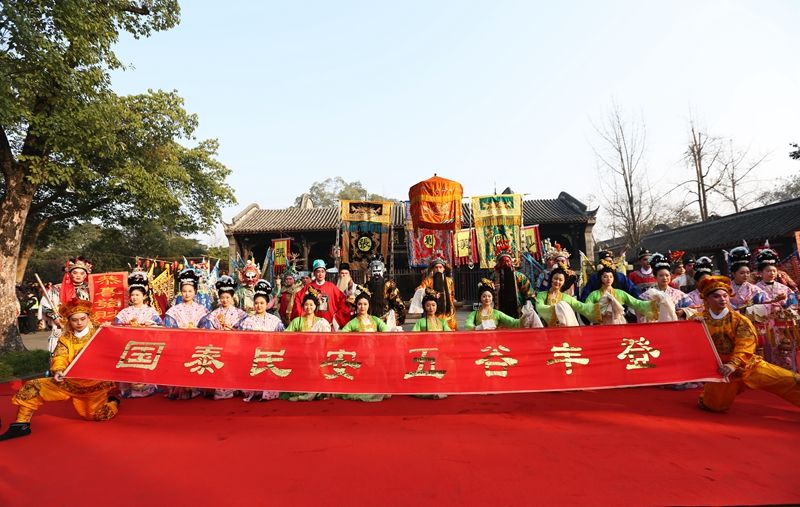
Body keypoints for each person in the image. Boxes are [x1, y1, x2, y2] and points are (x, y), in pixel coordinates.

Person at [0, 298, 119, 441]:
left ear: (89, 318)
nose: (79, 323)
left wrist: (109, 330)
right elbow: (60, 356)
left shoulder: (99, 334)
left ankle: (113, 402)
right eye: (75, 320)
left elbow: (116, 347)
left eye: (83, 319)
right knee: (33, 386)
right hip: (68, 381)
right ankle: (21, 424)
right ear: (69, 321)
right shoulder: (65, 338)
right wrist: (58, 370)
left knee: (98, 416)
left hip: (93, 385)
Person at [693, 275, 800, 413]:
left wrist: (733, 363)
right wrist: (691, 326)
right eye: (716, 296)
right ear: (707, 299)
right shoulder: (699, 321)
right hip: (723, 371)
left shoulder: (739, 320)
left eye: (725, 296)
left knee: (791, 380)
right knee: (714, 406)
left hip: (748, 365)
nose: (722, 299)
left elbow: (746, 343)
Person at [113, 271, 164, 398]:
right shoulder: (124, 312)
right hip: (129, 345)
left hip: (146, 344)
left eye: (137, 295)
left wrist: (151, 325)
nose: (134, 297)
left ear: (144, 296)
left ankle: (148, 388)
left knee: (144, 366)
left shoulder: (151, 311)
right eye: (132, 295)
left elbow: (161, 327)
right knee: (130, 367)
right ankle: (128, 390)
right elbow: (116, 327)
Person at [237, 279, 286, 402]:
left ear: (267, 304)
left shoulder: (275, 320)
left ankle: (269, 393)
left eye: (262, 303)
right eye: (257, 303)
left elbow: (281, 338)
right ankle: (254, 392)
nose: (259, 306)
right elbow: (242, 340)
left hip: (270, 353)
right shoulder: (247, 320)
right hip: (253, 353)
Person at [752, 247, 799, 372]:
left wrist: (788, 307)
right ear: (760, 273)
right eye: (768, 271)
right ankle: (773, 371)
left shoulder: (783, 287)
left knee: (787, 347)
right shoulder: (756, 288)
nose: (771, 273)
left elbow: (792, 301)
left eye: (774, 270)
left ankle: (790, 370)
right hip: (767, 324)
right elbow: (754, 306)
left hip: (784, 323)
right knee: (770, 347)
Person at [164, 269, 208, 400]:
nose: (187, 294)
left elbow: (207, 329)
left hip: (196, 344)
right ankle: (179, 390)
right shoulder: (174, 310)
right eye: (184, 291)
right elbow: (168, 329)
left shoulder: (202, 309)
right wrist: (181, 330)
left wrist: (196, 330)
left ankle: (195, 389)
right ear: (180, 292)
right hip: (179, 344)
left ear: (195, 292)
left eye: (190, 291)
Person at [338, 286, 388, 402]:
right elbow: (342, 336)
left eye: (365, 304)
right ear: (356, 305)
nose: (362, 307)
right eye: (360, 304)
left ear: (369, 305)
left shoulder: (375, 320)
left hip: (375, 353)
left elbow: (387, 332)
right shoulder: (353, 322)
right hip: (360, 354)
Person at [283, 287, 330, 402]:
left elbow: (327, 339)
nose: (308, 307)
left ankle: (317, 392)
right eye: (306, 305)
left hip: (316, 355)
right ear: (303, 306)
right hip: (301, 355)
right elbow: (286, 335)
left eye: (311, 305)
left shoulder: (321, 322)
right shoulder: (297, 321)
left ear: (315, 306)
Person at [40, 256, 93, 353]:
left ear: (86, 275)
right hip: (63, 325)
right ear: (69, 273)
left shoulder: (91, 288)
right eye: (75, 273)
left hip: (86, 325)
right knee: (61, 353)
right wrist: (55, 318)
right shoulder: (57, 289)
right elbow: (45, 305)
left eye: (82, 273)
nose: (78, 275)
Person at [584, 266, 657, 325]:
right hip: (600, 324)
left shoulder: (620, 293)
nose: (608, 279)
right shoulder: (594, 294)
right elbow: (587, 307)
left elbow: (635, 303)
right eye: (605, 276)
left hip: (619, 323)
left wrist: (651, 305)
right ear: (600, 278)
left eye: (611, 276)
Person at [291, 259, 350, 328]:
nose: (320, 274)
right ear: (314, 273)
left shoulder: (332, 287)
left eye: (322, 271)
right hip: (311, 325)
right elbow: (298, 299)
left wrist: (336, 317)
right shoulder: (308, 287)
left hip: (329, 324)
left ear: (325, 273)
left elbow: (342, 300)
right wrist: (303, 315)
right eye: (318, 271)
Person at [639, 253, 692, 322]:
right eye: (661, 275)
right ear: (655, 277)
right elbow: (640, 312)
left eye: (667, 275)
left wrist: (683, 311)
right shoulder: (648, 295)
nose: (665, 278)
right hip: (655, 327)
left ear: (670, 276)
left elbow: (692, 308)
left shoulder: (679, 294)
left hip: (675, 326)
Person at [492, 240, 535, 319]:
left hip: (517, 310)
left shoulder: (520, 277)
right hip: (500, 309)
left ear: (512, 262)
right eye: (503, 261)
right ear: (498, 264)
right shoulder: (494, 278)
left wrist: (528, 305)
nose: (506, 264)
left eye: (507, 261)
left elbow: (529, 294)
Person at [415, 257, 458, 330]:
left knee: (451, 332)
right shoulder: (428, 280)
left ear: (443, 269)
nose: (438, 269)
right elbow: (418, 290)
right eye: (436, 267)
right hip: (434, 312)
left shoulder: (449, 280)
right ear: (433, 269)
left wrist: (453, 301)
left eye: (440, 267)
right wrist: (430, 291)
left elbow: (452, 294)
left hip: (449, 311)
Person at [365, 256, 406, 328]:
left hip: (386, 318)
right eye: (374, 271)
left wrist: (398, 317)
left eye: (379, 271)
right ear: (370, 272)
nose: (377, 274)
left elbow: (397, 301)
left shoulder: (389, 285)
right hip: (369, 319)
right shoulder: (366, 286)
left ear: (383, 271)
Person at [726, 245, 765, 311]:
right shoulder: (727, 288)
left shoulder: (753, 288)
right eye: (742, 273)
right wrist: (734, 308)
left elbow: (763, 298)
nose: (746, 275)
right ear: (734, 274)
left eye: (748, 272)